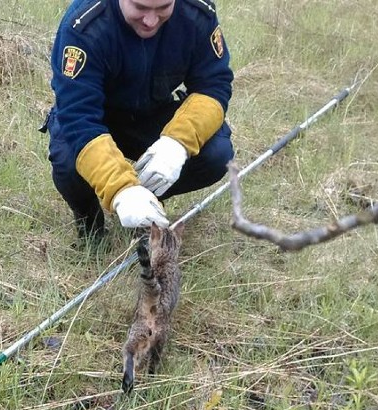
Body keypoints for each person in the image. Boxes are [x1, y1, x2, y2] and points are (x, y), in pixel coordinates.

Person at [43, 0, 235, 243]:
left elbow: (213, 85)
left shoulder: (196, 13)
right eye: (140, 8)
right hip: (96, 119)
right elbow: (78, 116)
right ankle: (90, 226)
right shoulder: (85, 25)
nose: (151, 20)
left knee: (217, 153)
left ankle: (147, 201)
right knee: (67, 160)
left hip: (152, 114)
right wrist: (119, 188)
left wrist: (177, 143)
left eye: (163, 8)